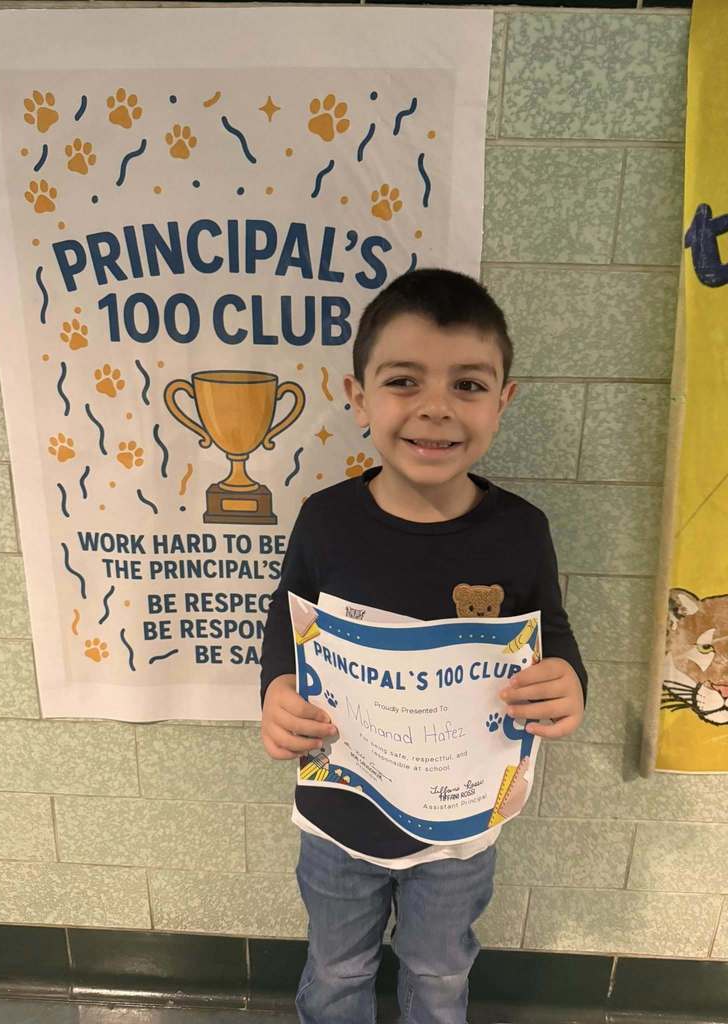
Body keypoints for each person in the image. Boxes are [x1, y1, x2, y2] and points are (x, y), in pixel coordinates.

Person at [259, 268, 587, 1024]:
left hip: (461, 829)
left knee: (440, 976)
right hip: (340, 814)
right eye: (404, 381)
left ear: (503, 401)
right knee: (337, 968)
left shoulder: (520, 531)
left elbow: (549, 632)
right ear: (359, 396)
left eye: (468, 385)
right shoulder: (326, 520)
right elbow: (288, 616)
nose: (436, 408)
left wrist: (569, 682)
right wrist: (277, 689)